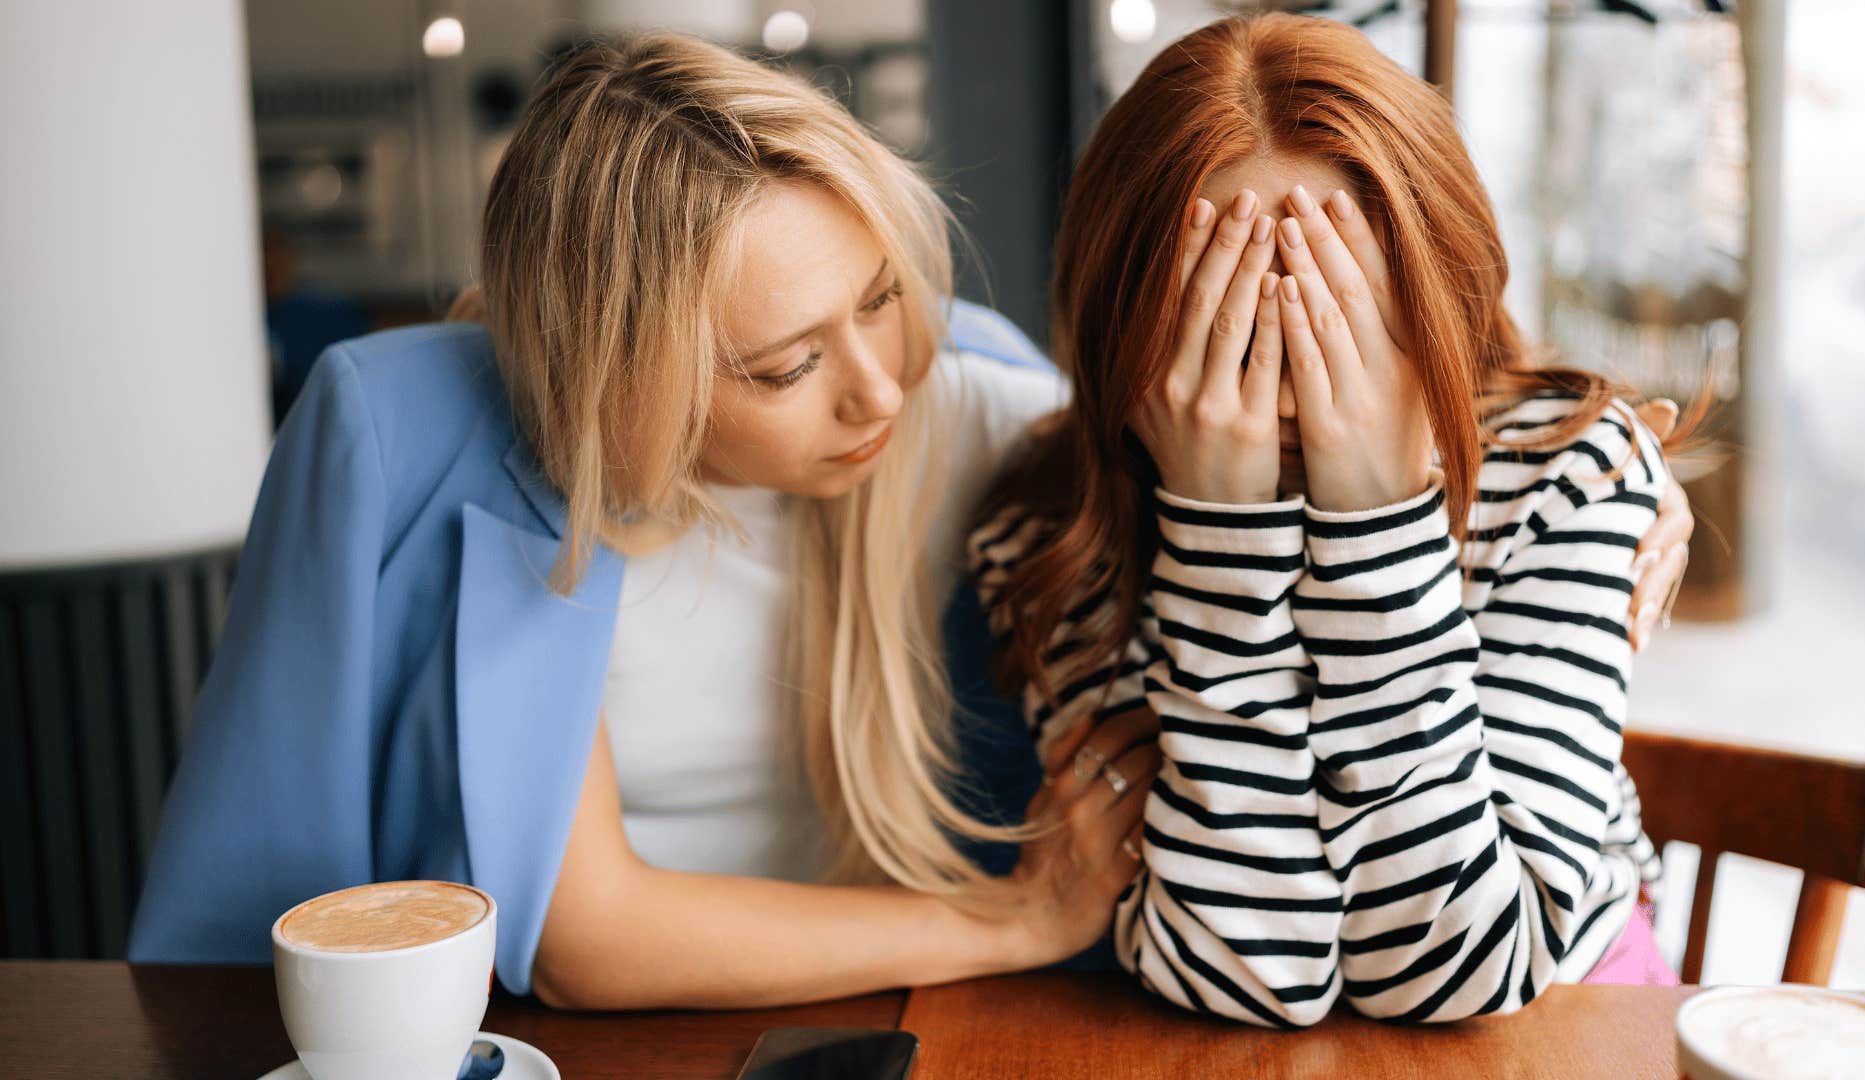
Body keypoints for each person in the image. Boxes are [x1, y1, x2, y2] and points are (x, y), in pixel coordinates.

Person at [128, 32, 1150, 1009]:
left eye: (880, 297)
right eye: (787, 365)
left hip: (916, 1017)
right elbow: (585, 938)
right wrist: (1012, 924)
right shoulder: (409, 431)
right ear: (627, 381)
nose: (879, 390)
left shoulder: (972, 401)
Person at [969, 12, 1695, 1027]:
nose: (1294, 384)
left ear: (1444, 288)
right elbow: (1249, 975)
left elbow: (1462, 977)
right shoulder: (1053, 537)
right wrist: (1219, 538)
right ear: (1122, 318)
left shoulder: (1566, 474)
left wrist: (1378, 522)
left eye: (1340, 310)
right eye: (1227, 321)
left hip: (1568, 1029)